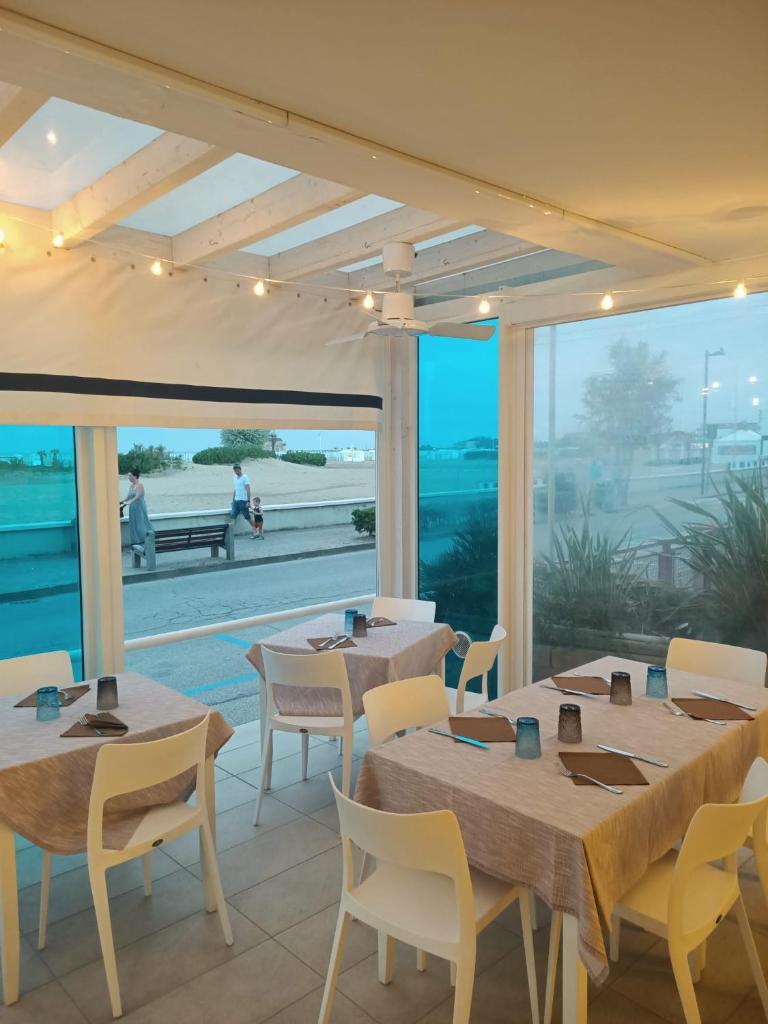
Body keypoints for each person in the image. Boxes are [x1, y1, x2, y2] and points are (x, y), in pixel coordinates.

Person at [122, 468, 153, 551]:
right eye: (128, 476)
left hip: (139, 507)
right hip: (132, 508)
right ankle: (135, 543)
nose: (129, 477)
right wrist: (122, 501)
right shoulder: (131, 486)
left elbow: (138, 496)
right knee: (133, 524)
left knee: (141, 524)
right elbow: (128, 497)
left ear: (135, 476)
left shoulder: (140, 485)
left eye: (130, 475)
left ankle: (147, 540)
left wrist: (130, 502)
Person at [229, 463, 258, 538]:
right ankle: (229, 534)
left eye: (237, 470)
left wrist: (248, 501)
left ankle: (256, 531)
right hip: (236, 501)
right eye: (235, 471)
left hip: (243, 501)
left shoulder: (245, 477)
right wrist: (233, 500)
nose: (236, 472)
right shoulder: (234, 477)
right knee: (232, 516)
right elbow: (235, 489)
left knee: (247, 517)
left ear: (240, 469)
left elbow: (248, 490)